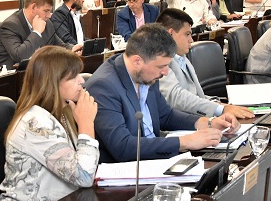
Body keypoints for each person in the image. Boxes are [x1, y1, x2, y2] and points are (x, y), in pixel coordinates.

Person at [85, 24, 234, 163]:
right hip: (128, 171)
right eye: (161, 66)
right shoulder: (103, 87)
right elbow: (123, 147)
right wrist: (185, 142)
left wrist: (208, 122)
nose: (165, 72)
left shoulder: (146, 75)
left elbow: (165, 115)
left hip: (156, 160)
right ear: (137, 61)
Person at [0, 46, 99, 201]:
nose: (81, 81)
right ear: (54, 81)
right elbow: (83, 176)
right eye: (73, 77)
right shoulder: (34, 124)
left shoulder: (62, 110)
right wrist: (86, 125)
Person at [156, 8, 253, 119]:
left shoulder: (182, 57)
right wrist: (220, 109)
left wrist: (221, 105)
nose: (191, 40)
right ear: (171, 34)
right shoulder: (160, 61)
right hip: (183, 122)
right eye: (187, 34)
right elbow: (176, 97)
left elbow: (197, 96)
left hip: (199, 117)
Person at [0, 0, 81, 69]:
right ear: (33, 7)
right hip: (10, 77)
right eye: (46, 11)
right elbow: (19, 56)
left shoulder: (47, 23)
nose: (49, 15)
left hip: (37, 72)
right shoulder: (10, 25)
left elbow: (58, 44)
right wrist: (37, 32)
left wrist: (72, 48)